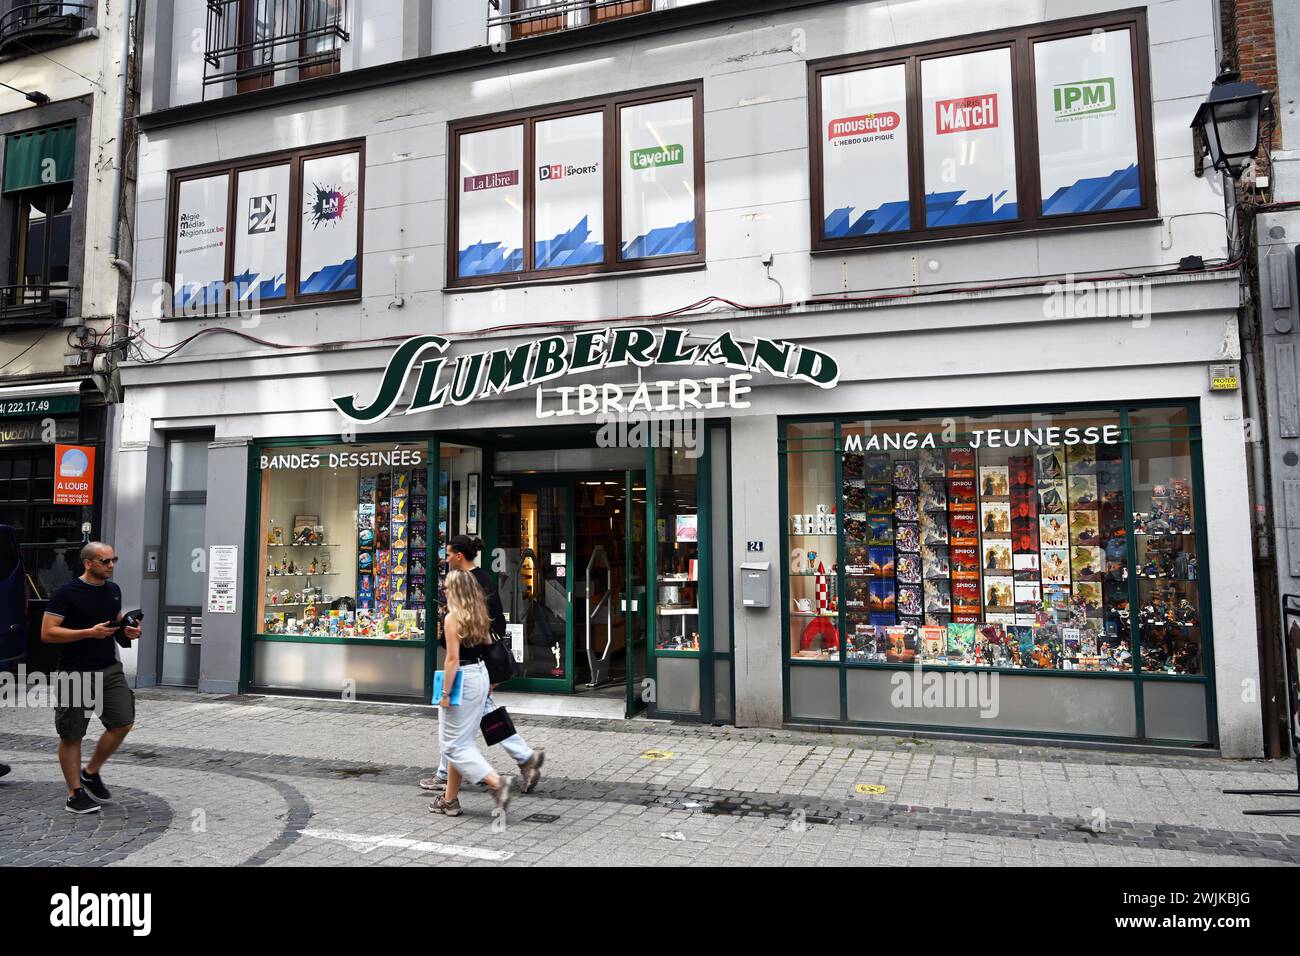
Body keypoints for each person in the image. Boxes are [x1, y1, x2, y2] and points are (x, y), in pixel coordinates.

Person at [421, 534, 544, 794]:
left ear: (458, 556)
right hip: (476, 666)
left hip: (473, 666)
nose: (445, 558)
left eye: (448, 553)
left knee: (459, 722)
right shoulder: (482, 578)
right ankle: (523, 757)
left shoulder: (473, 581)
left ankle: (450, 775)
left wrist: (486, 669)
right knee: (485, 717)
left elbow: (490, 627)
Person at [41, 541, 141, 814]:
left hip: (109, 669)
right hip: (75, 671)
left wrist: (128, 631)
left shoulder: (113, 590)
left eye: (113, 560)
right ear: (88, 563)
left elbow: (116, 624)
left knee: (123, 722)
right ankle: (74, 793)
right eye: (105, 561)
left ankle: (91, 771)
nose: (111, 566)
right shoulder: (66, 593)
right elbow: (48, 633)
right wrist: (88, 632)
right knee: (72, 734)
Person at [428, 569, 512, 817]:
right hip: (480, 675)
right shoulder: (479, 614)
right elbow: (488, 648)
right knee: (463, 742)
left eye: (447, 587)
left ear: (455, 591)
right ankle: (450, 800)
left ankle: (498, 784)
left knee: (452, 746)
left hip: (461, 680)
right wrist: (491, 681)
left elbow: (452, 659)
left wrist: (444, 693)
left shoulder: (453, 618)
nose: (443, 590)